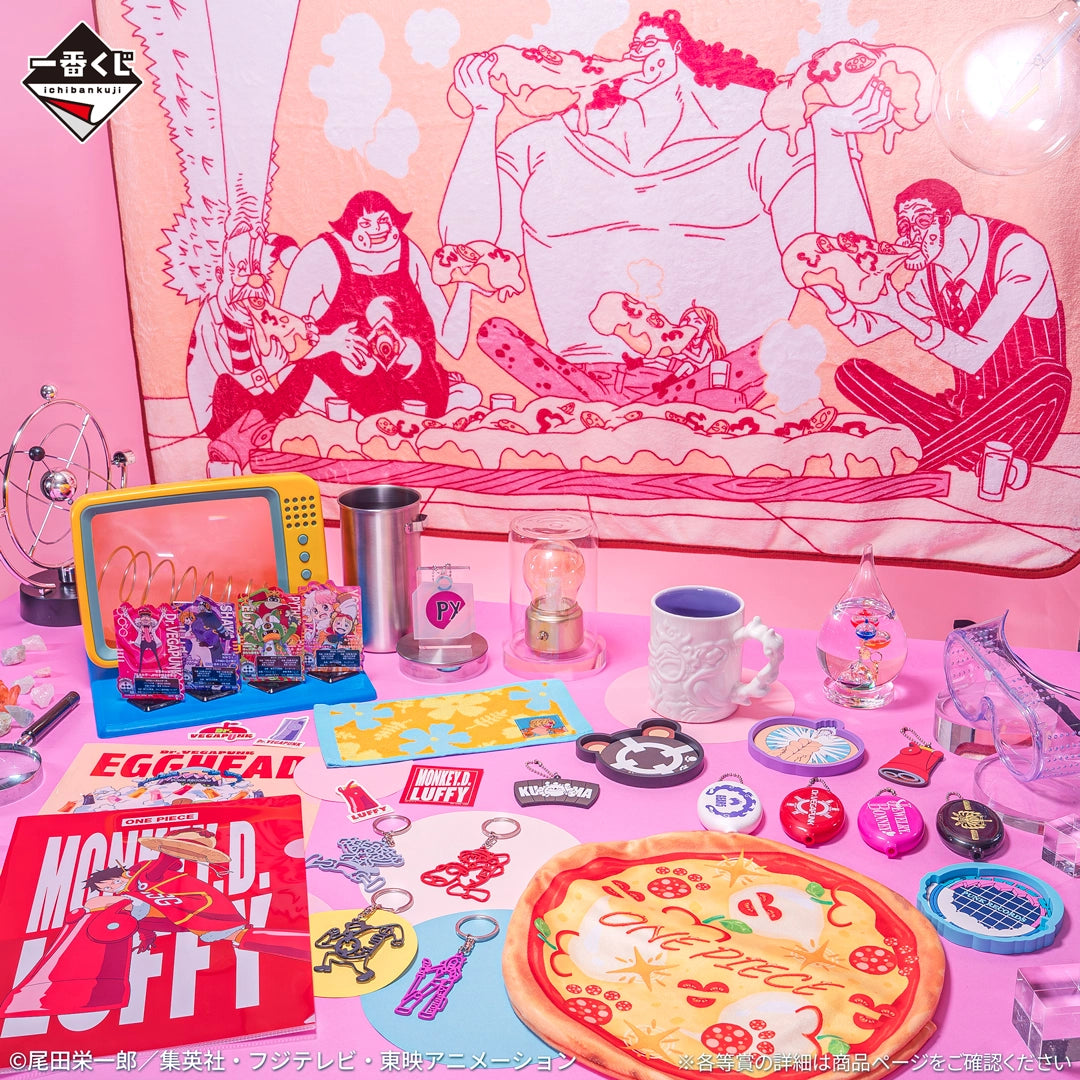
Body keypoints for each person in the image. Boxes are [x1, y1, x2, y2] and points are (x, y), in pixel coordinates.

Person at [441, 9, 891, 398]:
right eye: (632, 46)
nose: (633, 54)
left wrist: (834, 136)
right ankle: (601, 399)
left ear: (680, 54)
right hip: (580, 375)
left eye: (648, 45)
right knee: (497, 334)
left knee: (771, 351)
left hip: (722, 372)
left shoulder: (769, 135)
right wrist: (484, 115)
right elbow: (466, 246)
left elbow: (844, 267)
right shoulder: (540, 142)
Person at [818, 178, 1070, 477]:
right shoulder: (931, 277)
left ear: (949, 218)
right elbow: (865, 331)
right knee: (852, 374)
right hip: (964, 416)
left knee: (1050, 376)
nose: (910, 238)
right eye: (904, 228)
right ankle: (985, 459)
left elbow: (973, 355)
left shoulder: (1017, 251)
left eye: (921, 223)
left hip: (1026, 418)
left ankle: (928, 460)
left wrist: (901, 313)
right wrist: (826, 290)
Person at [276, 190, 481, 420]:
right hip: (341, 389)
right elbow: (283, 342)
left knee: (469, 396)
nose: (377, 230)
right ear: (350, 227)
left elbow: (452, 343)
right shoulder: (320, 253)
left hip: (409, 389)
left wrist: (466, 286)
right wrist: (332, 342)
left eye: (383, 221)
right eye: (366, 223)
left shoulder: (409, 251)